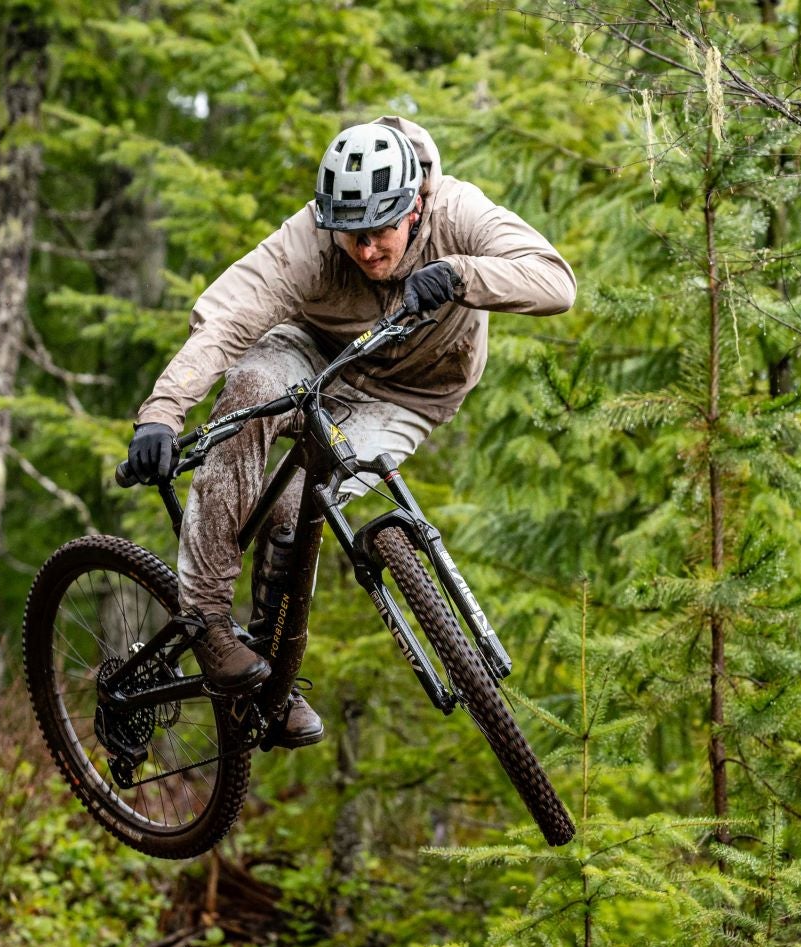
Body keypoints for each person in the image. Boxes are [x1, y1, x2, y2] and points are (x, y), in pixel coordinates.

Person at [125, 117, 576, 747]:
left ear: (416, 205)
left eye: (381, 232)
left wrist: (459, 274)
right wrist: (162, 413)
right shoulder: (309, 238)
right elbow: (228, 316)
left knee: (297, 505)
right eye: (351, 235)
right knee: (250, 388)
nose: (366, 252)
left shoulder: (458, 212)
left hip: (411, 394)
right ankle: (205, 621)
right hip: (315, 354)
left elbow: (556, 281)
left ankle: (271, 683)